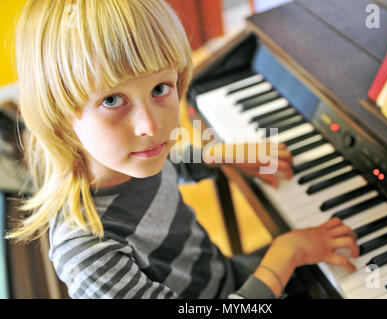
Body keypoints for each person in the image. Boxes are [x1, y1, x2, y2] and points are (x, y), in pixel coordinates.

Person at [6, 0, 359, 299]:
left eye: (161, 87)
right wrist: (286, 253)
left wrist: (221, 155)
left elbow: (170, 160)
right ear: (60, 115)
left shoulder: (130, 158)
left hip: (225, 277)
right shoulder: (88, 255)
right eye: (113, 100)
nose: (151, 126)